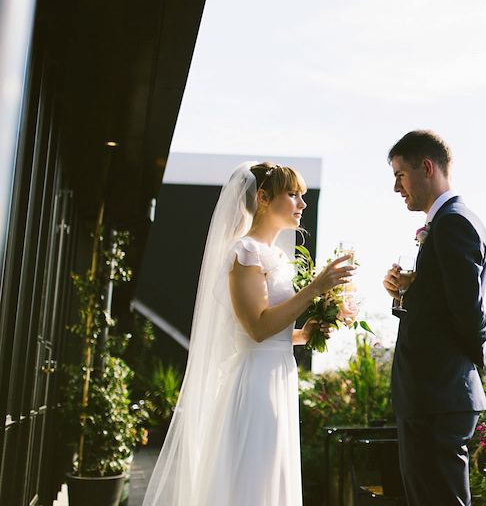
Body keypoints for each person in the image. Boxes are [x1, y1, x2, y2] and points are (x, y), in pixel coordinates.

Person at [143, 161, 354, 506]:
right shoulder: (245, 252)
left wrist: (304, 334)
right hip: (255, 382)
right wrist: (315, 289)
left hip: (278, 376)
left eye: (302, 195)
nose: (302, 204)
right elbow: (256, 328)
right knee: (252, 482)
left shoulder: (278, 256)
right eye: (293, 194)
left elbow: (274, 332)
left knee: (272, 478)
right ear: (263, 198)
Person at [382, 130, 486, 506]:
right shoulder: (448, 222)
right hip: (435, 394)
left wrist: (466, 365)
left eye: (400, 175)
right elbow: (446, 303)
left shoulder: (452, 223)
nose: (397, 187)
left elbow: (470, 313)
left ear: (426, 167)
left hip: (439, 394)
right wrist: (408, 290)